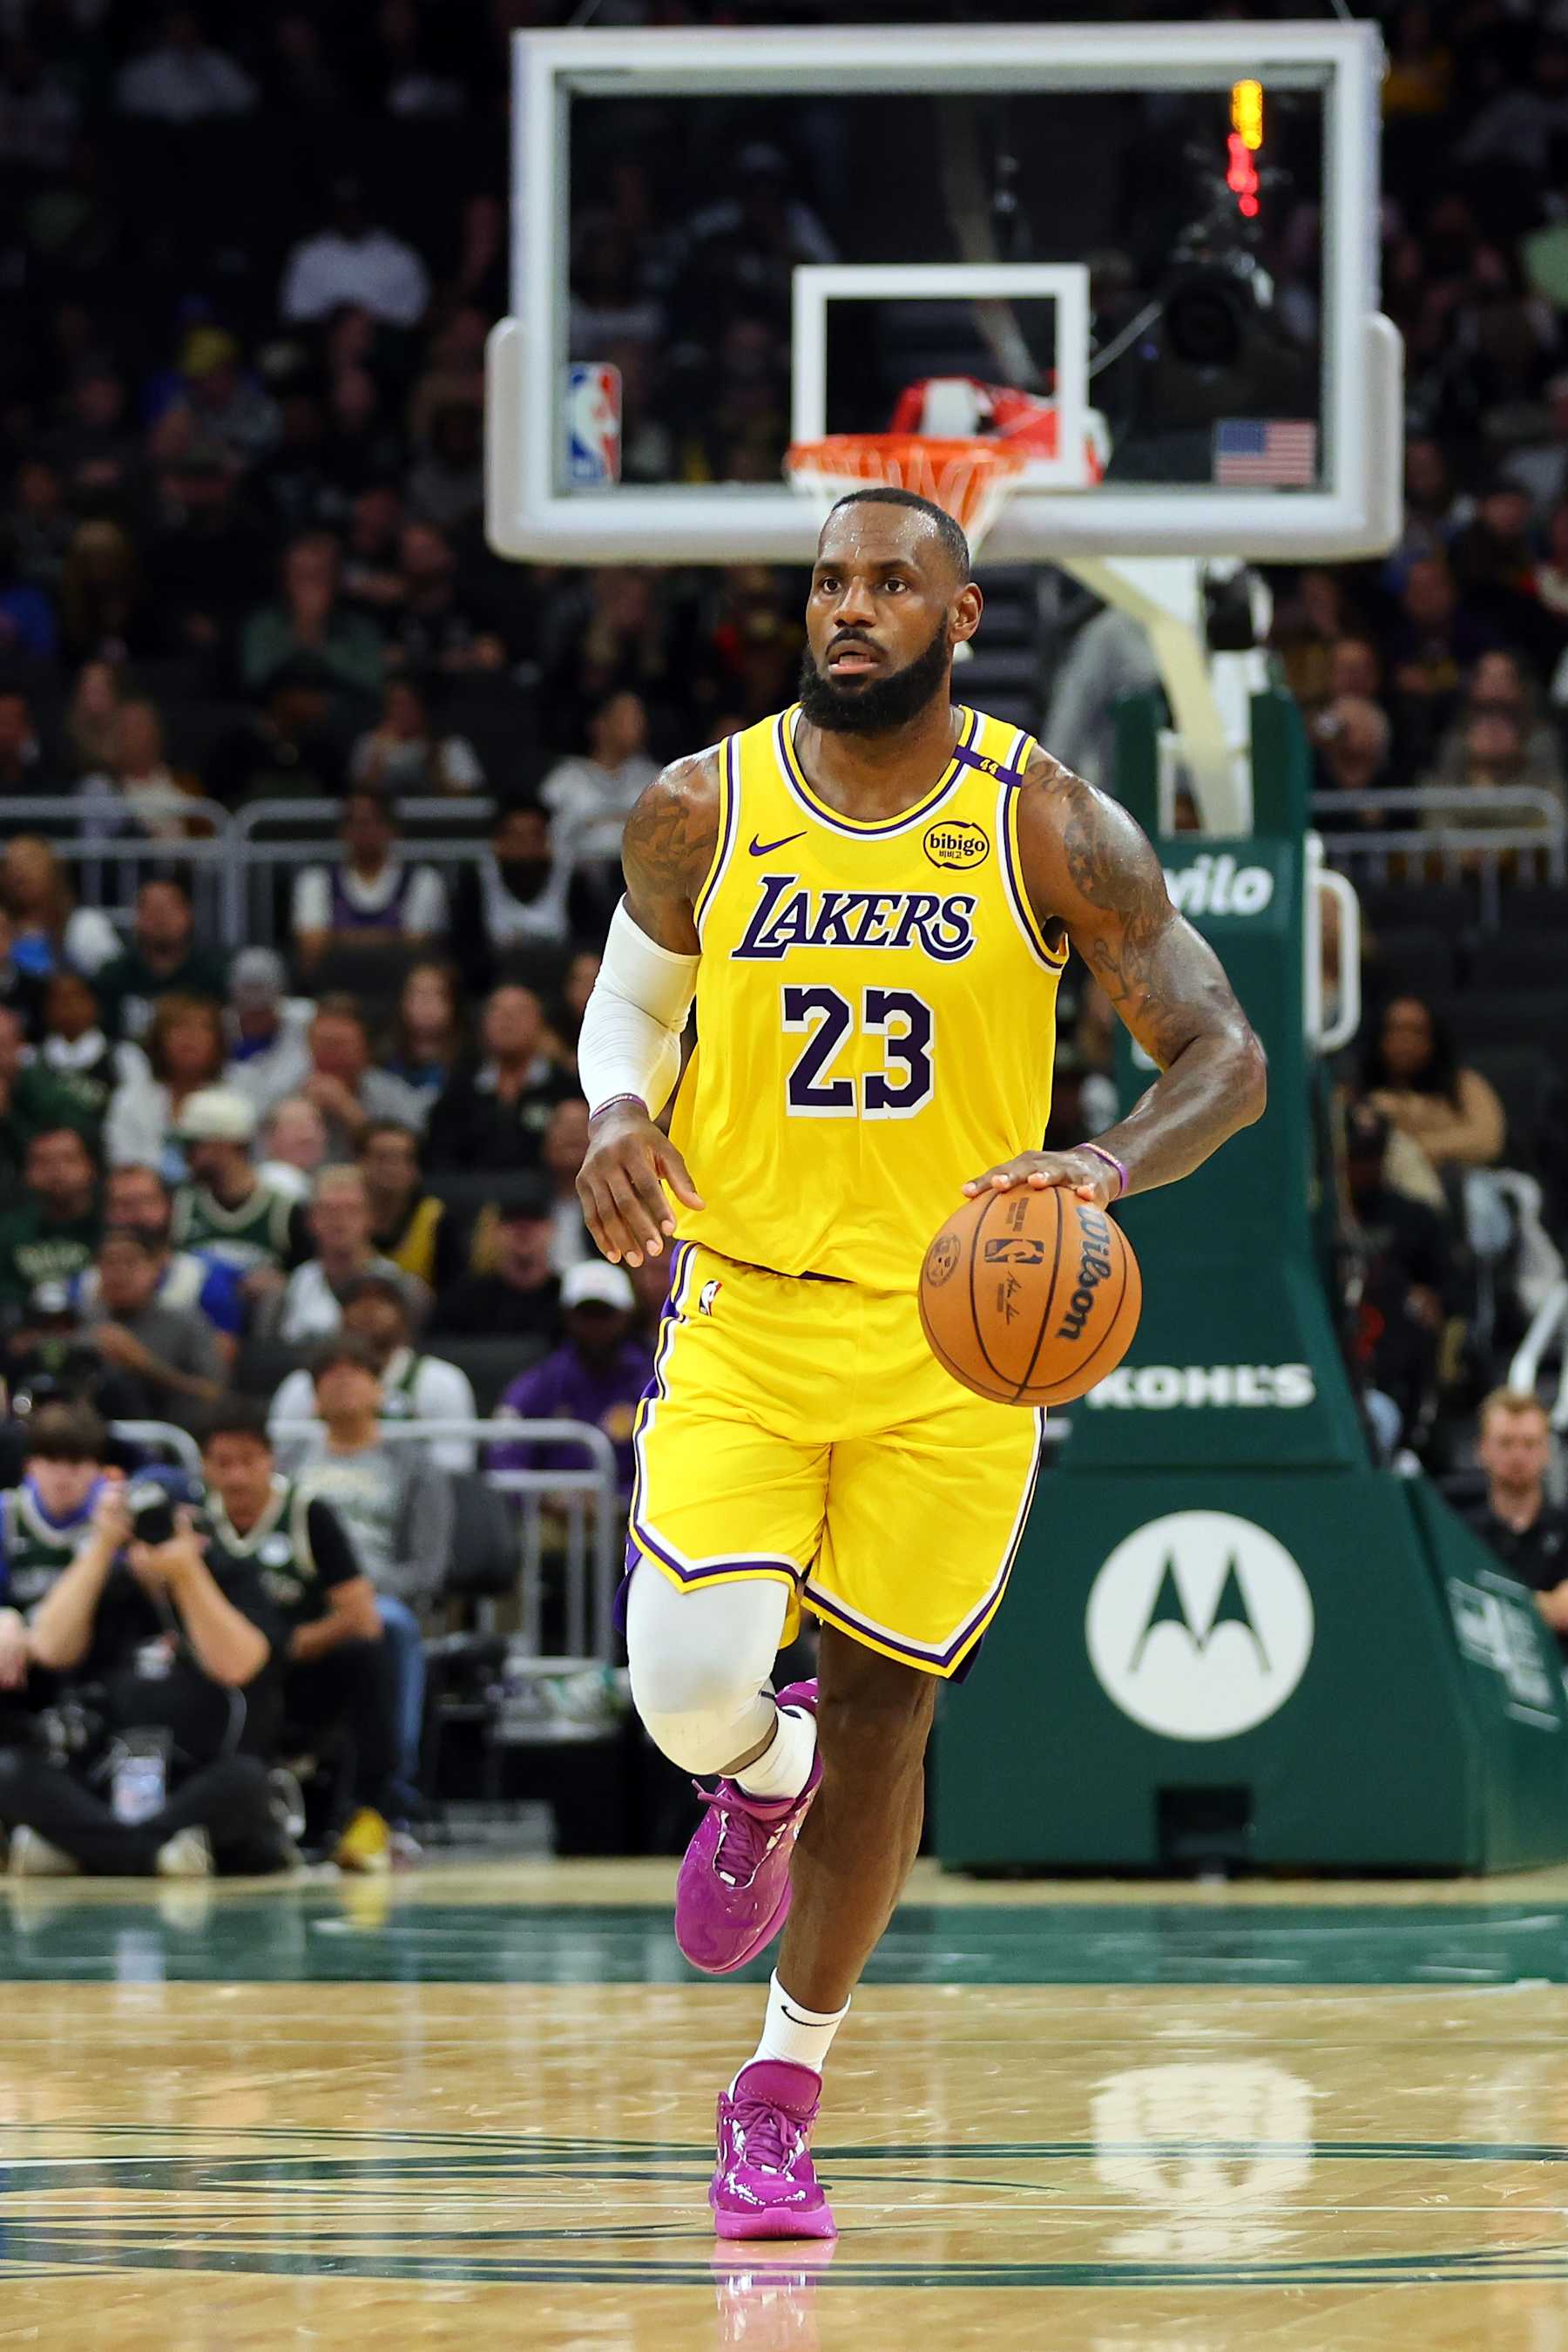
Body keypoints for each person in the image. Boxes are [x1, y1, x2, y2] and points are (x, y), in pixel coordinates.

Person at [574, 484, 1265, 2238]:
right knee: (686, 1693)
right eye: (829, 582)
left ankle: (781, 2092)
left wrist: (1102, 1168)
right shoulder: (702, 806)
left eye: (893, 582)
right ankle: (757, 1773)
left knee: (894, 1704)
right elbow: (637, 1001)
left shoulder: (1048, 826)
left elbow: (1223, 1053)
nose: (851, 607)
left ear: (962, 618)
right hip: (744, 1308)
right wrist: (610, 1112)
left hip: (960, 1345)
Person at [2, 1474, 289, 1879]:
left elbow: (239, 1665)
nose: (149, 1541)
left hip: (193, 1786)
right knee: (10, 1771)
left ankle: (85, 1850)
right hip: (102, 1783)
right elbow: (48, 1648)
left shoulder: (231, 1578)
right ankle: (153, 1853)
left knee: (248, 1783)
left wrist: (186, 1573)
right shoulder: (105, 1584)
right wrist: (101, 1546)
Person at [199, 1399, 400, 1873]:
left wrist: (286, 1647)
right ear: (205, 1468)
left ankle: (372, 1816)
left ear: (270, 1460)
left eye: (248, 1461)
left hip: (299, 1670)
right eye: (222, 1464)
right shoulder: (194, 1522)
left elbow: (361, 1615)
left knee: (370, 1654)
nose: (237, 1477)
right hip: (217, 1674)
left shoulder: (309, 1514)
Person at [287, 1334, 455, 1838]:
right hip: (298, 1595)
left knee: (396, 1627)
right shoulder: (287, 1464)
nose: (341, 1385)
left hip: (378, 1600)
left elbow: (427, 1568)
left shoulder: (415, 1466)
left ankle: (390, 1793)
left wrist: (354, 1589)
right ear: (313, 1399)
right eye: (328, 1377)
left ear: (380, 1391)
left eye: (354, 1373)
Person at [271, 1271, 475, 1473]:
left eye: (382, 1301)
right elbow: (278, 1462)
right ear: (340, 1316)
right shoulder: (301, 1385)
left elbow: (455, 1464)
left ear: (404, 1315)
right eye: (357, 1302)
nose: (369, 1310)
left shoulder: (441, 1380)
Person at [491, 1261, 648, 1499]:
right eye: (586, 1315)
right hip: (552, 1521)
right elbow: (504, 1460)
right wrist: (547, 1497)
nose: (595, 1327)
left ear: (625, 1316)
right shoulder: (542, 1382)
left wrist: (620, 1500)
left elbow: (675, 1461)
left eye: (604, 1315)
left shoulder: (650, 1382)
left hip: (628, 1517)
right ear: (568, 1316)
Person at [71, 1163, 244, 1349]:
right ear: (106, 1212)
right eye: (121, 1204)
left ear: (168, 1207)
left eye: (145, 1201)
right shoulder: (85, 1285)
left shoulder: (204, 1279)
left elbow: (218, 1370)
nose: (134, 1214)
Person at [77, 1228, 225, 1433]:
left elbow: (214, 1396)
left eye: (130, 1262)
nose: (119, 1274)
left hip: (168, 1438)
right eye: (109, 1263)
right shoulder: (82, 1321)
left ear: (155, 1268)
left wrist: (145, 1365)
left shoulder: (186, 1322)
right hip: (91, 1439)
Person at [1464, 1389, 1568, 1671]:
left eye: (1530, 1443)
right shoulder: (1460, 1530)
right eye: (1506, 1443)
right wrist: (1542, 1606)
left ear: (1547, 1451)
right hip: (1481, 1672)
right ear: (1481, 1449)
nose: (1518, 1455)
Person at [290, 791, 448, 975]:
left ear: (391, 829)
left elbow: (416, 948)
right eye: (355, 823)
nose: (363, 831)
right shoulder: (316, 880)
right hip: (336, 992)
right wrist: (391, 938)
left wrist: (338, 939)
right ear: (342, 831)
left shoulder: (423, 880)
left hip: (401, 990)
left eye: (370, 822)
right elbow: (311, 951)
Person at [424, 985, 573, 1175]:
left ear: (541, 1024)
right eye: (497, 1012)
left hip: (549, 1199)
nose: (507, 1020)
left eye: (519, 1012)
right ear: (484, 1024)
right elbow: (439, 1154)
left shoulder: (566, 1087)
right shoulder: (459, 1087)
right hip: (470, 1198)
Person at [1361, 994, 1506, 1176]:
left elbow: (1488, 1141)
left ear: (1433, 1038)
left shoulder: (1464, 1084)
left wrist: (1416, 1142)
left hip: (1461, 1182)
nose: (1405, 1041)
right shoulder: (1362, 1093)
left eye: (1415, 1031)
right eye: (1395, 1030)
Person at [274, 1166, 418, 1345]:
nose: (339, 1220)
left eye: (351, 1209)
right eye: (328, 1210)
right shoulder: (291, 1289)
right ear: (310, 1220)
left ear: (371, 1218)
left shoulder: (403, 1288)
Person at [172, 1087, 301, 1282]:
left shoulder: (283, 1211)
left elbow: (305, 1279)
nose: (186, 1157)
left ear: (223, 1145)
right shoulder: (181, 1205)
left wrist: (282, 1281)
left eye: (193, 1146)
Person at [0, 1399, 109, 1622]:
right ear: (30, 1465)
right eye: (51, 1460)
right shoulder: (6, 1515)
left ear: (96, 1468)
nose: (63, 1475)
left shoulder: (111, 1517)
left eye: (75, 1462)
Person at [449, 803, 575, 992]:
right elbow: (463, 947)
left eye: (535, 836)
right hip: (492, 985)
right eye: (517, 837)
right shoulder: (475, 882)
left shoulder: (573, 881)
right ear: (498, 842)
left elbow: (586, 945)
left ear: (547, 841)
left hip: (559, 985)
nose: (526, 846)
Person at [280, 177, 430, 329]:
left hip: (386, 342)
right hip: (324, 340)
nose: (350, 216)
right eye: (343, 209)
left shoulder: (399, 255)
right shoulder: (308, 253)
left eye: (356, 208)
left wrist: (366, 322)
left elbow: (415, 311)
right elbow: (295, 312)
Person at [429, 1174, 562, 1344]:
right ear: (494, 1230)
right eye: (511, 1221)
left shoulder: (567, 1299)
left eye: (534, 1220)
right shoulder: (463, 1301)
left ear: (552, 1229)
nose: (523, 1230)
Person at [95, 877, 228, 1044]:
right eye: (151, 910)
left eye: (168, 909)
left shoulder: (214, 973)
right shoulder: (112, 976)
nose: (160, 919)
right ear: (137, 918)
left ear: (188, 914)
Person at [104, 992, 226, 1173]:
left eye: (202, 1028)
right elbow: (123, 1165)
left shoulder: (233, 1100)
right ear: (159, 1039)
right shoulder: (130, 1100)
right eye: (179, 1027)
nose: (190, 1038)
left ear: (218, 1040)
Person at [301, 997, 429, 1159]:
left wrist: (349, 1111)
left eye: (340, 1045)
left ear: (365, 1048)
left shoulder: (390, 1091)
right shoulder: (288, 1089)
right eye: (322, 1043)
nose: (330, 1055)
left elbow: (416, 1148)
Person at [356, 1121, 465, 1294]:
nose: (391, 1168)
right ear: (360, 1164)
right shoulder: (340, 1215)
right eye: (382, 1158)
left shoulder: (438, 1220)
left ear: (415, 1170)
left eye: (401, 1159)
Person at [0, 1126, 100, 1311]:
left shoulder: (109, 1228)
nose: (57, 1171)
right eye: (43, 1162)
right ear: (26, 1174)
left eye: (68, 1159)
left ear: (90, 1167)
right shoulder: (8, 1233)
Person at [0, 835, 119, 982]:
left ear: (53, 868)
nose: (19, 870)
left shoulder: (84, 926)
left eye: (30, 860)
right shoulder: (3, 928)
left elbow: (113, 984)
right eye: (10, 864)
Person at [35, 971, 135, 1132]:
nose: (69, 1006)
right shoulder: (31, 1060)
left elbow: (136, 1111)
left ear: (94, 1004)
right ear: (46, 1010)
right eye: (59, 1000)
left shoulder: (124, 1056)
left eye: (77, 998)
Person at [222, 948, 313, 1117]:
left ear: (280, 989)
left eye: (262, 988)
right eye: (247, 988)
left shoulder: (305, 1020)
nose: (254, 999)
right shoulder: (217, 1028)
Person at [381, 961, 467, 1105]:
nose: (426, 1003)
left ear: (453, 1005)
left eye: (436, 994)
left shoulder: (470, 1065)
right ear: (402, 1003)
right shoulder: (381, 1060)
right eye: (417, 994)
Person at [541, 1098, 593, 1274]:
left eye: (583, 1124)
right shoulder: (525, 1201)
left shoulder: (621, 1197)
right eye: (563, 1124)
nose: (573, 1133)